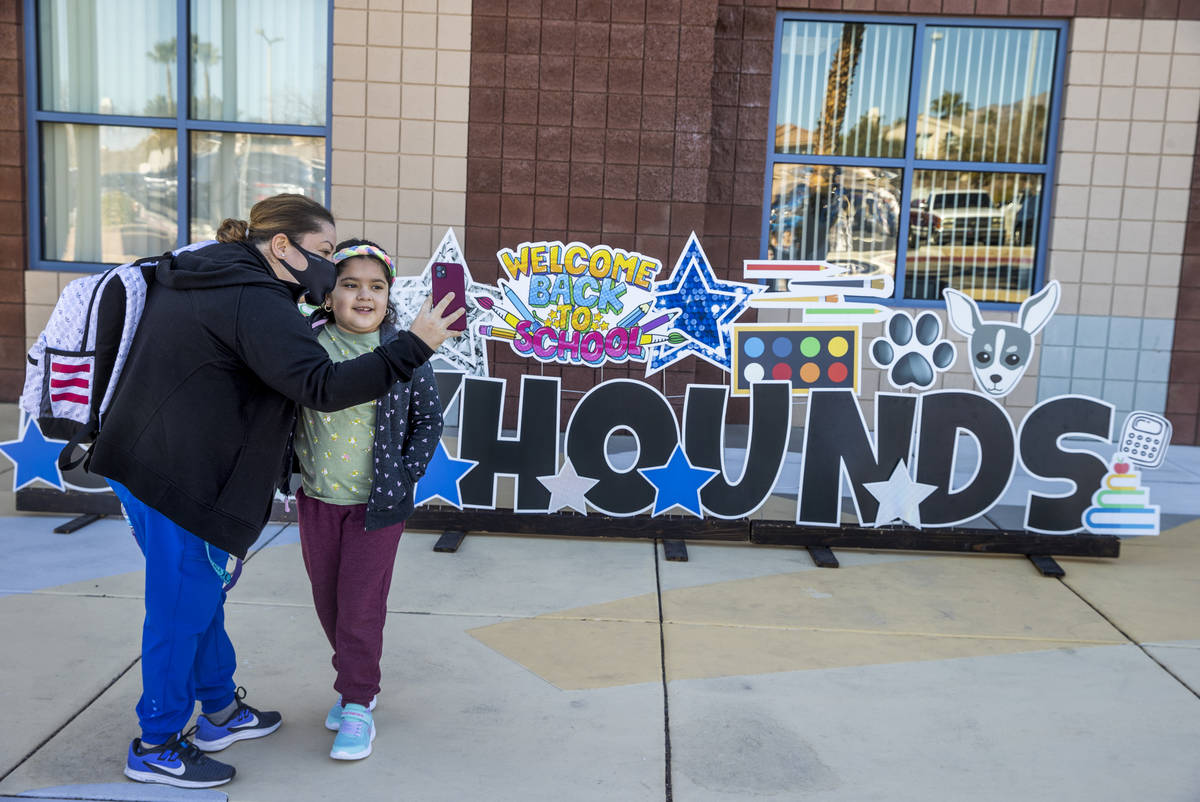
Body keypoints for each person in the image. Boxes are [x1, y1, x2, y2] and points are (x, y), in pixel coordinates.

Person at [89, 195, 463, 789]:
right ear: (281, 247)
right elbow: (318, 385)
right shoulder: (254, 298)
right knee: (180, 608)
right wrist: (414, 344)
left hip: (161, 460)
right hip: (178, 475)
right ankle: (156, 742)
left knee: (201, 596)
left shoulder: (217, 272)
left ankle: (218, 711)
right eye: (322, 255)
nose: (327, 269)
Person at [293, 239, 441, 761]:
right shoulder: (306, 343)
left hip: (376, 508)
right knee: (327, 602)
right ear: (329, 296)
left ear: (388, 296)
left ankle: (358, 701)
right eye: (350, 284)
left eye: (376, 286)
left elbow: (429, 421)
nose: (363, 295)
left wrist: (405, 475)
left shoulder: (405, 349)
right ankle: (355, 684)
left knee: (359, 607)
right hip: (315, 501)